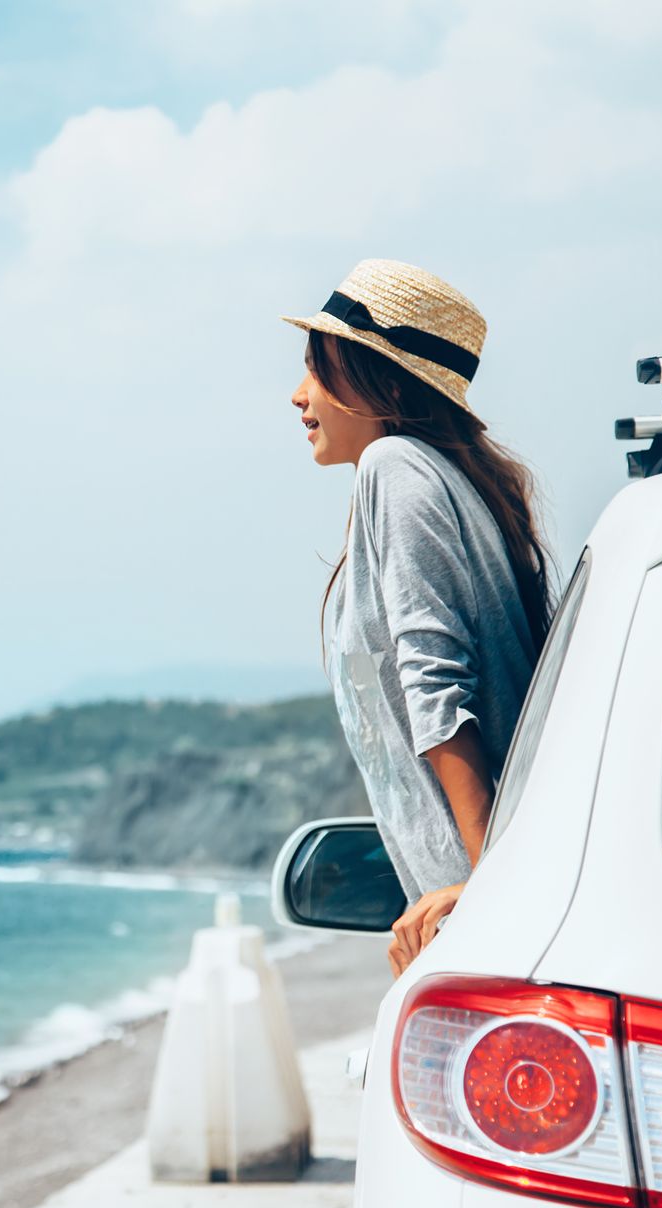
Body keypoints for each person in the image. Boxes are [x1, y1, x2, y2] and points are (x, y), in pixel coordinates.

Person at [282, 259, 556, 977]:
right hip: (483, 900)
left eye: (319, 369)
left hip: (482, 913)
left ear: (386, 383)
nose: (297, 396)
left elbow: (435, 685)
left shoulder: (395, 468)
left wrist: (488, 888)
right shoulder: (454, 481)